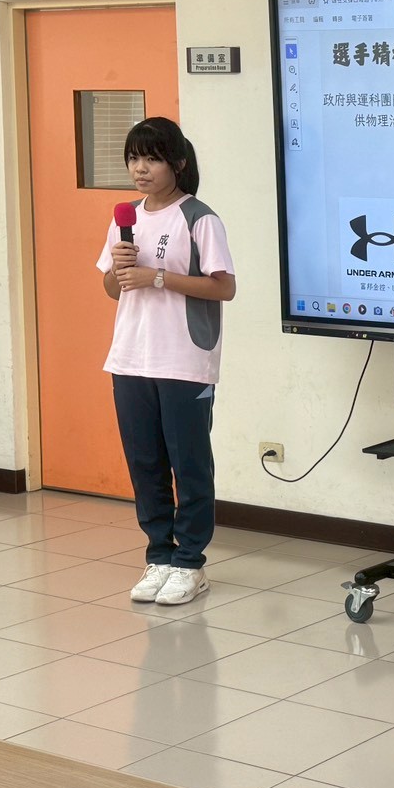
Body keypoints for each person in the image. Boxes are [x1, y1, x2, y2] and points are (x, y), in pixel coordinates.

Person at [97, 117, 236, 607]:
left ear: (177, 162)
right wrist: (121, 267)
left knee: (189, 464)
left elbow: (224, 287)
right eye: (134, 158)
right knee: (145, 464)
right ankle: (159, 555)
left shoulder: (199, 218)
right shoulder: (125, 219)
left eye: (152, 159)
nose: (140, 168)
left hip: (184, 360)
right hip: (131, 358)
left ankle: (190, 562)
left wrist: (158, 277)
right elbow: (112, 287)